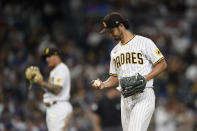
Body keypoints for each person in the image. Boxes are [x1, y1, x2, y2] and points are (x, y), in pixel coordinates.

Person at [91, 12, 167, 131]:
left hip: (143, 94)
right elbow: (115, 77)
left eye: (111, 30)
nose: (110, 34)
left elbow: (162, 64)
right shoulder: (114, 51)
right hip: (125, 98)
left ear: (121, 25)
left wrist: (145, 78)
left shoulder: (144, 42)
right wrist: (104, 84)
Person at [26, 48, 73, 131]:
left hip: (59, 108)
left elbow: (57, 89)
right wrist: (41, 83)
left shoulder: (61, 69)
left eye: (49, 56)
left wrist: (41, 82)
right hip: (54, 109)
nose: (47, 60)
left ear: (56, 56)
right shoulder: (54, 71)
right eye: (45, 58)